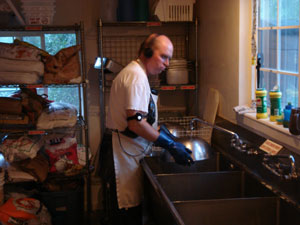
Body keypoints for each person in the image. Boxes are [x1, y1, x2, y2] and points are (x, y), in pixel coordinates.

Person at [99, 33, 193, 225]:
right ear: (147, 52)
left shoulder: (136, 73)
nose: (167, 64)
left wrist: (166, 136)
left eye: (169, 58)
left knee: (127, 213)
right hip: (121, 157)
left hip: (124, 151)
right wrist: (170, 145)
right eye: (164, 56)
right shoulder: (136, 77)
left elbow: (142, 119)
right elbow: (135, 123)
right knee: (126, 217)